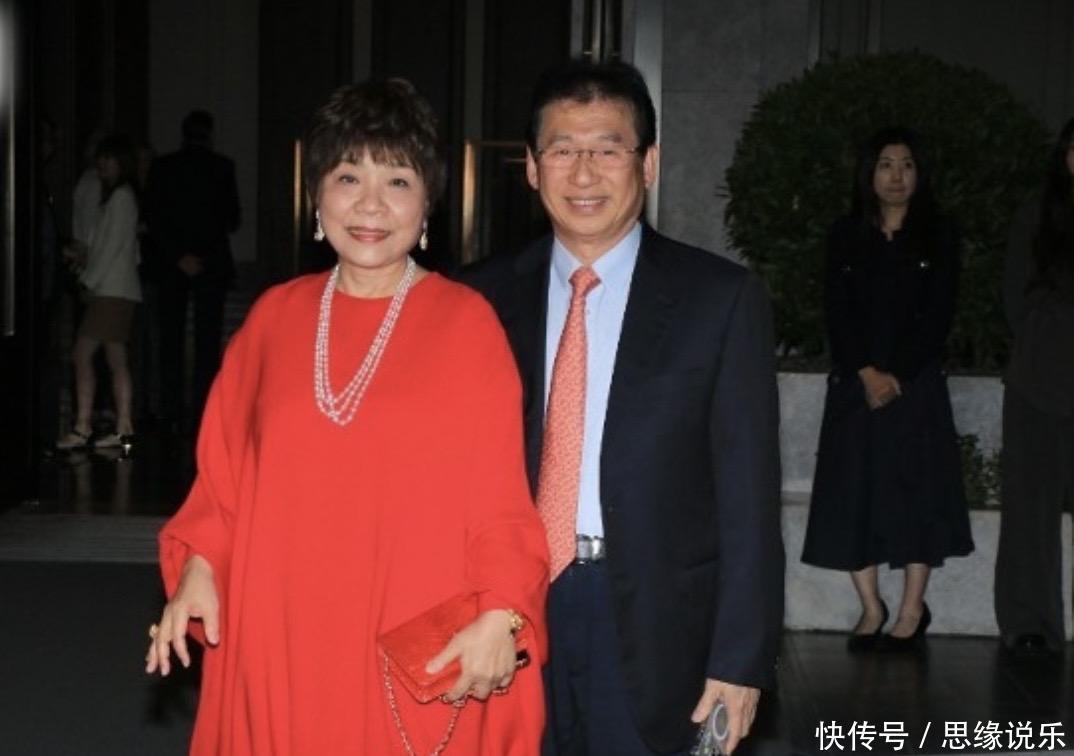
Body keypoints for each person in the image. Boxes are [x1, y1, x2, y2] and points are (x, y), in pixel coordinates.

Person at [145, 79, 549, 755]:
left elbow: (500, 503)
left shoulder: (466, 325)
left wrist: (503, 611)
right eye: (348, 177)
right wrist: (199, 569)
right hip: (277, 633)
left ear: (427, 206)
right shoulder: (271, 321)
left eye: (398, 181)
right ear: (317, 196)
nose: (370, 204)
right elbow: (221, 487)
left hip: (405, 634)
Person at [460, 60, 783, 756]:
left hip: (655, 619)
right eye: (562, 150)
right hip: (508, 609)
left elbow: (749, 495)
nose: (584, 173)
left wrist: (740, 659)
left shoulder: (718, 300)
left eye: (608, 149)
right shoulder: (478, 299)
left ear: (649, 163)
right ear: (531, 168)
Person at [802, 127, 974, 652]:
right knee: (853, 492)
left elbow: (938, 313)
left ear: (920, 174)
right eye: (885, 164)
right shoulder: (845, 234)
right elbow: (837, 308)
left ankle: (911, 608)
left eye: (907, 165)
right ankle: (871, 606)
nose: (896, 176)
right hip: (856, 383)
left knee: (916, 495)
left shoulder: (938, 235)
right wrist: (866, 372)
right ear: (868, 174)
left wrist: (896, 373)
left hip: (915, 384)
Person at [994, 117, 1074, 657]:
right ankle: (1029, 622)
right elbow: (1014, 296)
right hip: (1040, 379)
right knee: (1030, 508)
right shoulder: (1038, 214)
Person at [143, 109, 240, 432]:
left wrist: (177, 254)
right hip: (211, 261)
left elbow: (152, 218)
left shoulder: (163, 167)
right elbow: (233, 219)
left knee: (169, 337)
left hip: (172, 263)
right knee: (207, 340)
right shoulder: (222, 167)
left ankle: (170, 408)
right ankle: (203, 408)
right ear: (209, 134)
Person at [56, 134, 142, 450]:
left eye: (108, 158)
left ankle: (83, 426)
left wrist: (87, 280)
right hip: (116, 289)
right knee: (115, 359)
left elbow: (110, 248)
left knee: (83, 355)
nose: (101, 164)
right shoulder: (119, 197)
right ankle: (122, 426)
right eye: (100, 158)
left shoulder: (120, 198)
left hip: (111, 291)